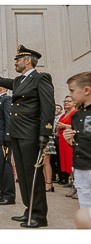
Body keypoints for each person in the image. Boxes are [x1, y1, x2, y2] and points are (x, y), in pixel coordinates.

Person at [0, 45, 55, 228]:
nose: (15, 62)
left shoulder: (41, 78)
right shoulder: (18, 81)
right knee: (23, 176)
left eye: (18, 59)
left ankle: (39, 215)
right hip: (18, 134)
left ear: (28, 60)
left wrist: (45, 133)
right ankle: (29, 209)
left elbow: (48, 107)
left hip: (31, 135)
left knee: (33, 176)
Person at [63, 72, 91, 209]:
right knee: (85, 208)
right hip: (80, 166)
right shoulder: (76, 116)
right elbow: (75, 143)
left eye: (72, 91)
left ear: (86, 90)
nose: (70, 95)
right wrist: (70, 139)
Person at [57, 96, 76, 197]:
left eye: (69, 101)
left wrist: (64, 126)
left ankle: (76, 187)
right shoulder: (63, 115)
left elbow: (76, 126)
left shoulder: (76, 113)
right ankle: (73, 185)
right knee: (67, 164)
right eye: (65, 101)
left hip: (70, 141)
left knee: (72, 163)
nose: (66, 103)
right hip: (62, 140)